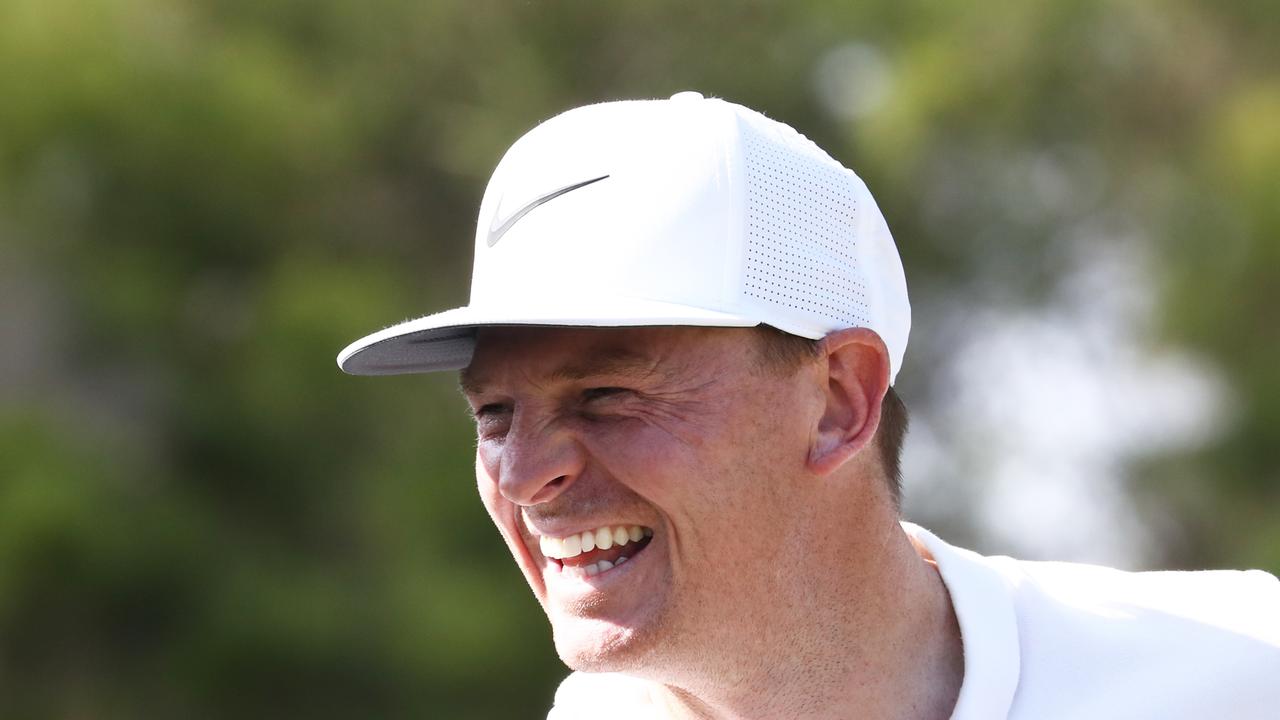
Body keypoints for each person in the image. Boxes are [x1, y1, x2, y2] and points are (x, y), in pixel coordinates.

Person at [338, 92, 1280, 719]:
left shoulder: (1239, 668)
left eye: (606, 393)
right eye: (493, 414)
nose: (525, 472)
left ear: (838, 400)